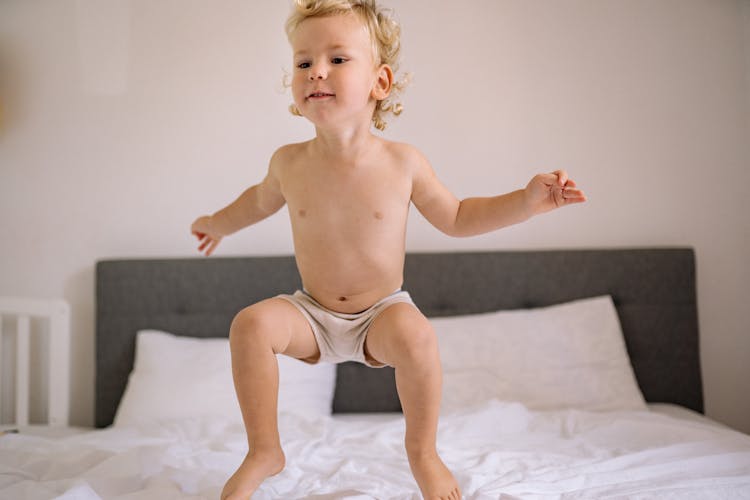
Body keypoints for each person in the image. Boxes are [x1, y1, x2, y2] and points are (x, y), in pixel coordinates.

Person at [191, 1, 586, 498]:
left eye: (337, 59)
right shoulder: (288, 163)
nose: (316, 70)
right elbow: (255, 203)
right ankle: (264, 450)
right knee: (250, 324)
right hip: (311, 313)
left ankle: (423, 453)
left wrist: (526, 203)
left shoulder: (403, 163)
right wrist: (215, 224)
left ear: (380, 82)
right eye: (303, 61)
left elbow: (460, 216)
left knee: (419, 336)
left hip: (381, 314)